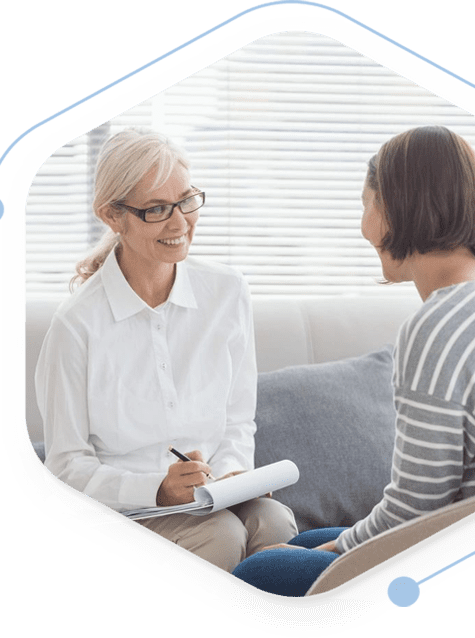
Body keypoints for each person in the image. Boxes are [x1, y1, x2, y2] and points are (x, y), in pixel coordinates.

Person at [231, 125, 475, 596]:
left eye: (366, 204)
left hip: (464, 548)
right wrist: (315, 550)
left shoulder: (440, 325)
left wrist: (321, 557)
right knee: (304, 540)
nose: (363, 226)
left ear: (395, 208)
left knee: (256, 575)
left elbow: (414, 510)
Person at [35, 128, 298, 574]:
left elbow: (237, 420)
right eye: (156, 209)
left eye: (186, 200)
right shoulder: (77, 323)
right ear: (112, 216)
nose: (180, 224)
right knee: (222, 534)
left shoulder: (227, 293)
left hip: (212, 494)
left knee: (272, 521)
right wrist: (156, 489)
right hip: (125, 511)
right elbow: (65, 466)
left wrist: (234, 474)